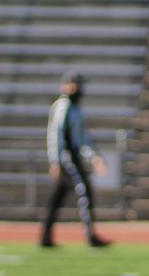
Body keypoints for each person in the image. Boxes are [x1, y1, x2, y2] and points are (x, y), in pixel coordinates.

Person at [40, 71, 110, 248]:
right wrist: (55, 160)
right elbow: (56, 134)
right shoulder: (63, 106)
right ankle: (90, 235)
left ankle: (45, 238)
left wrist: (94, 157)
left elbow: (82, 138)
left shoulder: (75, 108)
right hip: (67, 158)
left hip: (73, 156)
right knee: (84, 192)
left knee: (57, 198)